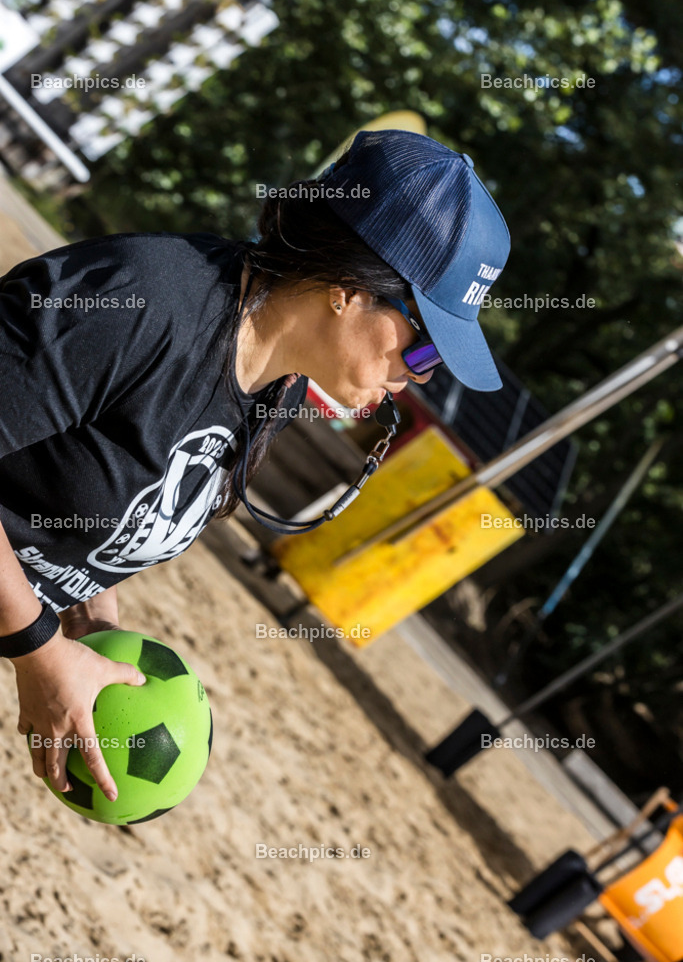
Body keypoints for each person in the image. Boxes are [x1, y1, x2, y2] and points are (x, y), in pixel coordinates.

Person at [0, 128, 509, 804]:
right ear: (350, 290)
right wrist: (36, 649)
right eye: (426, 351)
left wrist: (92, 622)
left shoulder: (277, 384)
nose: (416, 377)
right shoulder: (140, 302)